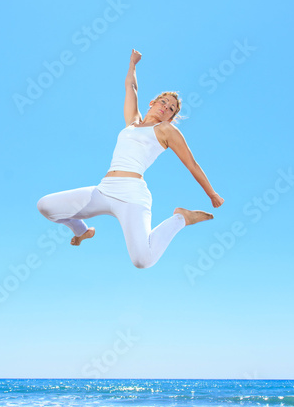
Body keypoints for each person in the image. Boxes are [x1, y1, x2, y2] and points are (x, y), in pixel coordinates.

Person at [37, 49, 224, 269]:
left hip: (133, 195)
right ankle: (83, 231)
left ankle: (181, 218)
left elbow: (191, 163)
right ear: (152, 102)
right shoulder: (132, 123)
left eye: (171, 108)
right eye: (163, 101)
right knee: (46, 206)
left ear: (171, 118)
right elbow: (131, 87)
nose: (166, 106)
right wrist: (133, 64)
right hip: (104, 189)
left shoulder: (165, 131)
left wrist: (211, 193)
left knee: (142, 260)